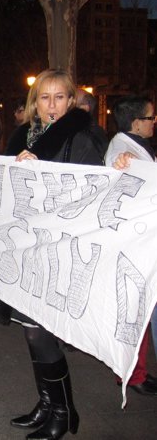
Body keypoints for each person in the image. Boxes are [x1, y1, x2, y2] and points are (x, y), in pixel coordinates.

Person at [3, 69, 106, 439]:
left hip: (60, 248)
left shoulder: (82, 137)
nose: (51, 105)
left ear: (71, 99)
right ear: (35, 102)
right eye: (44, 97)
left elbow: (92, 192)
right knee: (32, 330)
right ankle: (47, 404)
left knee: (42, 332)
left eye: (59, 97)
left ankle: (63, 413)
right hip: (28, 245)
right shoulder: (23, 136)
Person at [105, 95, 157, 396]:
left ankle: (135, 372)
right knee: (134, 314)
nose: (154, 122)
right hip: (134, 246)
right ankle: (133, 374)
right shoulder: (124, 151)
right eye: (150, 117)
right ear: (136, 122)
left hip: (139, 244)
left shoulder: (134, 146)